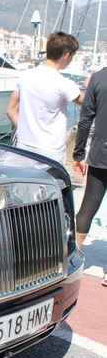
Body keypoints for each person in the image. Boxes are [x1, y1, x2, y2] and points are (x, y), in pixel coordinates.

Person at [6, 31, 85, 164]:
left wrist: (25, 130)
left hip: (24, 145)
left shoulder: (25, 76)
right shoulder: (63, 83)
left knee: (24, 184)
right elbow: (86, 101)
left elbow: (11, 111)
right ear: (66, 55)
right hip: (50, 150)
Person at [72, 68, 107, 287]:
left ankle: (71, 260)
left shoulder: (99, 78)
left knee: (87, 208)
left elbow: (85, 119)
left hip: (100, 153)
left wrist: (78, 154)